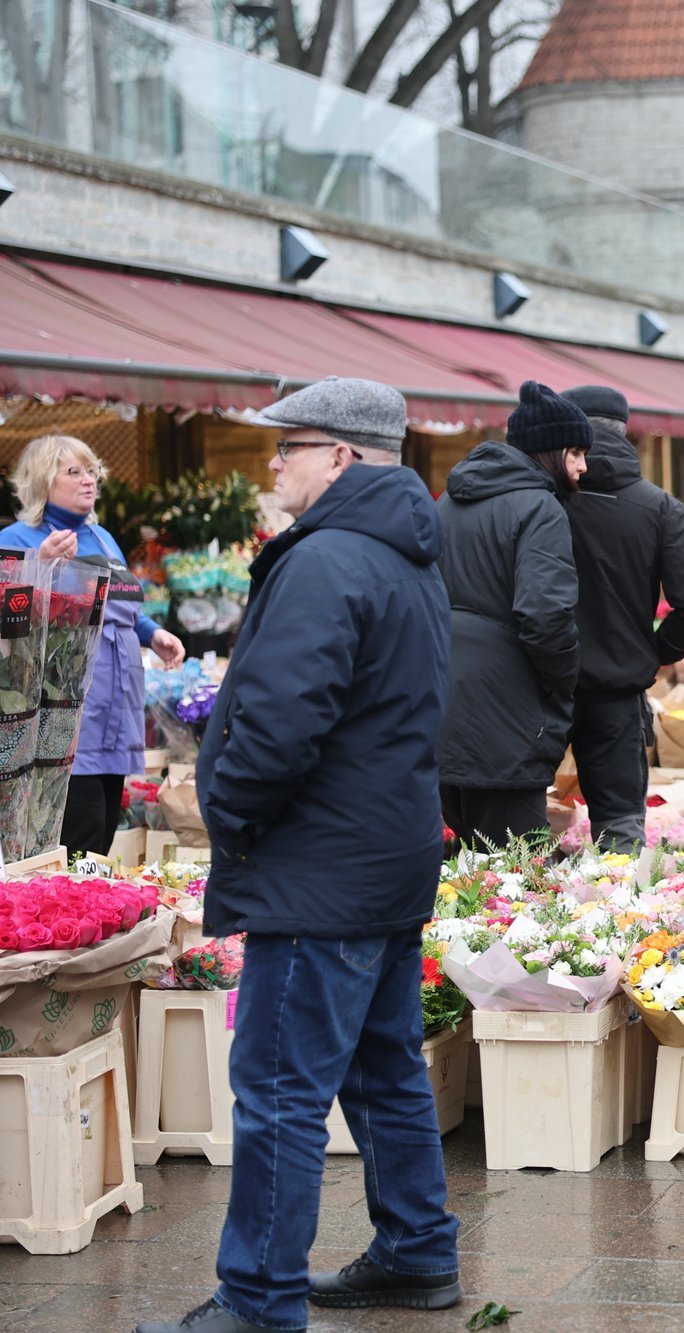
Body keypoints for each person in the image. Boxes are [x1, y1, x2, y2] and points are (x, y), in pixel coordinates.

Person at [137, 378, 458, 1333]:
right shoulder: (404, 552)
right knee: (382, 1065)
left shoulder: (330, 561)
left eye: (290, 446)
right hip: (382, 855)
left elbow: (279, 723)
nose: (272, 462)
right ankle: (416, 1248)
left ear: (343, 458)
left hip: (321, 868)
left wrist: (226, 809)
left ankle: (259, 1299)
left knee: (278, 1088)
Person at [0, 435, 185, 855]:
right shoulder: (19, 537)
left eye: (92, 471)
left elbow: (121, 609)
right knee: (78, 832)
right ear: (43, 481)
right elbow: (8, 620)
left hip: (117, 712)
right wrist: (39, 566)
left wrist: (153, 634)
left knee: (103, 834)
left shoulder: (103, 537)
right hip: (63, 716)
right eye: (74, 472)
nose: (89, 481)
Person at [560, 386, 684, 853]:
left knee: (521, 836)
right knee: (619, 836)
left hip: (541, 688)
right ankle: (624, 920)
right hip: (617, 694)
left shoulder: (539, 499)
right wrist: (652, 652)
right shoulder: (656, 506)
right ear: (624, 430)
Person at [435, 381, 587, 847]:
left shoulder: (448, 502)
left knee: (461, 876)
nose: (584, 467)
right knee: (515, 879)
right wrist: (562, 682)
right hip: (506, 711)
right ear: (549, 451)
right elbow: (545, 615)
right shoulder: (540, 508)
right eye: (576, 452)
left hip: (441, 701)